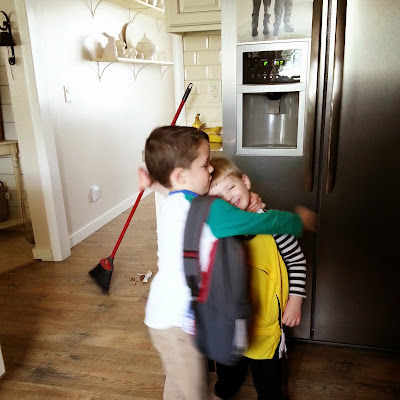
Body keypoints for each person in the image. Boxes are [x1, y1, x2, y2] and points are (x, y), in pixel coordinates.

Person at [139, 125, 316, 400]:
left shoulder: (173, 202)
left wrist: (153, 181)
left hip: (162, 315)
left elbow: (173, 187)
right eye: (205, 164)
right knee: (195, 390)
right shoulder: (212, 209)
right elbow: (267, 221)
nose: (210, 169)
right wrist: (298, 222)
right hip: (179, 324)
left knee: (177, 382)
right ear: (181, 175)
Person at [208, 156, 307, 400]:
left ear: (245, 182)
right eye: (218, 197)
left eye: (231, 187)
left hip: (265, 324)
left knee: (268, 380)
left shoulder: (273, 226)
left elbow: (296, 261)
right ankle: (225, 388)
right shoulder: (218, 230)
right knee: (228, 370)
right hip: (230, 321)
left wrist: (295, 300)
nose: (228, 198)